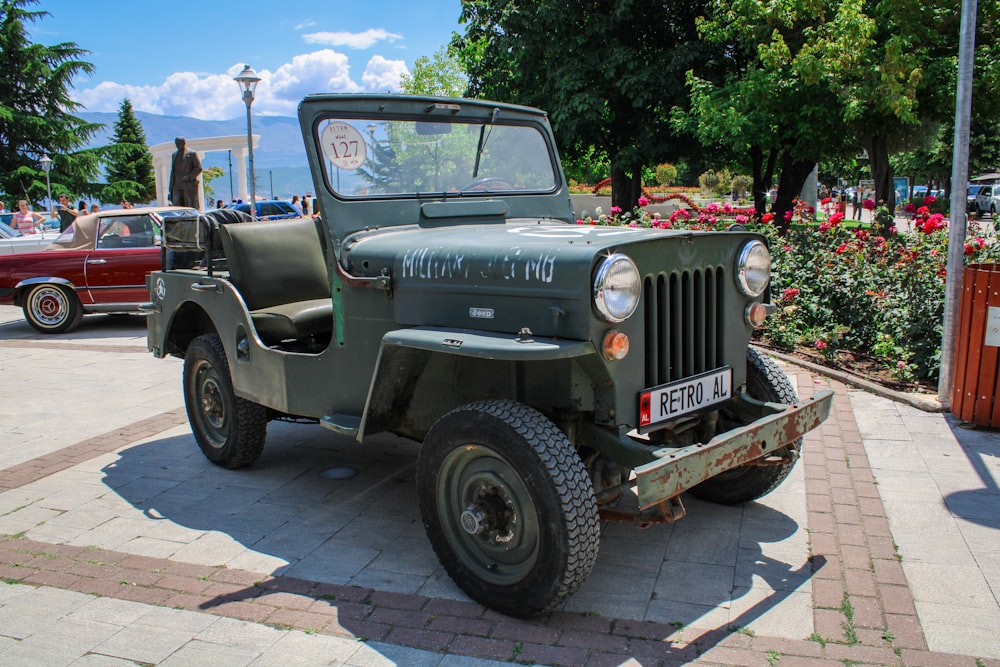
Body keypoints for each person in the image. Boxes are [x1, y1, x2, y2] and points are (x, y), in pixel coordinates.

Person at [168, 136, 203, 208]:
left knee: (189, 207)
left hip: (188, 185)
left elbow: (198, 168)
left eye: (179, 143)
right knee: (177, 207)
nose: (177, 145)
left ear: (184, 143)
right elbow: (173, 171)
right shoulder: (174, 155)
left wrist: (189, 177)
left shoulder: (192, 154)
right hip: (176, 186)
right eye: (176, 144)